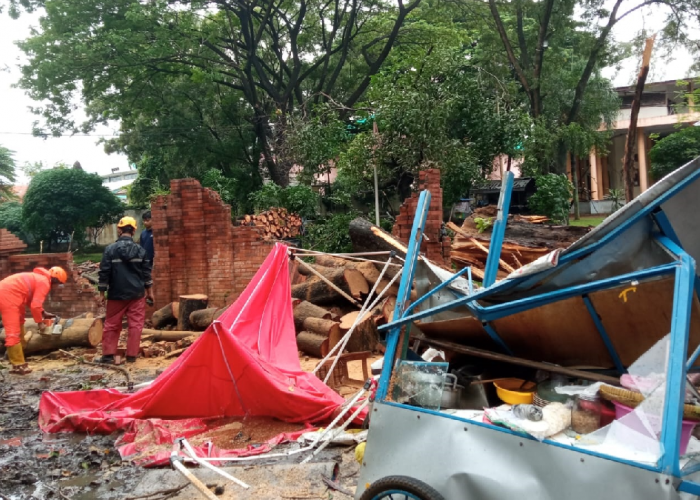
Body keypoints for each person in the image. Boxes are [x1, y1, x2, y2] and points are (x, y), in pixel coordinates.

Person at [98, 216, 154, 364]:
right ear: (134, 231)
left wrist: (102, 293)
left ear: (119, 229)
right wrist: (150, 293)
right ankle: (131, 356)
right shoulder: (140, 251)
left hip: (116, 293)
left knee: (111, 324)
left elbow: (104, 272)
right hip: (136, 294)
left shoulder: (110, 250)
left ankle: (108, 355)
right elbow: (146, 273)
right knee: (135, 324)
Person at [0, 267, 67, 374]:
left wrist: (43, 312)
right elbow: (35, 306)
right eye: (58, 284)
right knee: (12, 332)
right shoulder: (44, 282)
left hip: (14, 295)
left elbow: (32, 301)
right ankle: (18, 365)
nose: (56, 287)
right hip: (8, 296)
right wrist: (40, 323)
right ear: (55, 279)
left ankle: (16, 354)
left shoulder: (39, 279)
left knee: (20, 322)